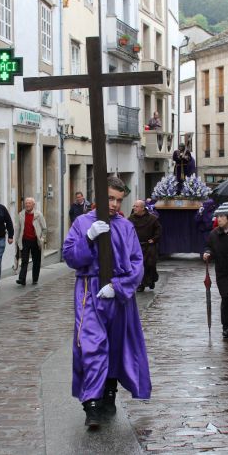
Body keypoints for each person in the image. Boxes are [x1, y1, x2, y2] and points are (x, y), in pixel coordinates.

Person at [62, 176, 150, 428]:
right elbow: (70, 257)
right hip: (89, 292)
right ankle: (91, 403)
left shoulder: (126, 227)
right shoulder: (82, 223)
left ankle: (109, 393)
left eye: (119, 200)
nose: (114, 204)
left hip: (118, 297)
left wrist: (119, 287)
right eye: (110, 198)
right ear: (100, 196)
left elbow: (137, 263)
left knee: (116, 346)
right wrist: (87, 238)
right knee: (91, 345)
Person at [128, 199, 162, 292]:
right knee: (140, 266)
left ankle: (151, 280)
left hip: (149, 246)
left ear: (143, 208)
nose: (134, 208)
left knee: (150, 264)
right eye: (134, 206)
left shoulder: (152, 219)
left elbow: (158, 231)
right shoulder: (130, 219)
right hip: (136, 246)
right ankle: (141, 284)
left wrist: (154, 239)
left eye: (136, 206)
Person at [14, 197, 47, 286]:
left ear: (33, 205)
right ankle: (22, 279)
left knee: (36, 260)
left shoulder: (38, 215)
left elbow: (44, 229)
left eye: (29, 203)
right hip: (24, 240)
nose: (27, 205)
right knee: (24, 260)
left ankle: (35, 279)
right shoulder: (21, 214)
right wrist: (16, 240)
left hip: (36, 241)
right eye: (26, 203)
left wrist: (42, 239)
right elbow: (18, 228)